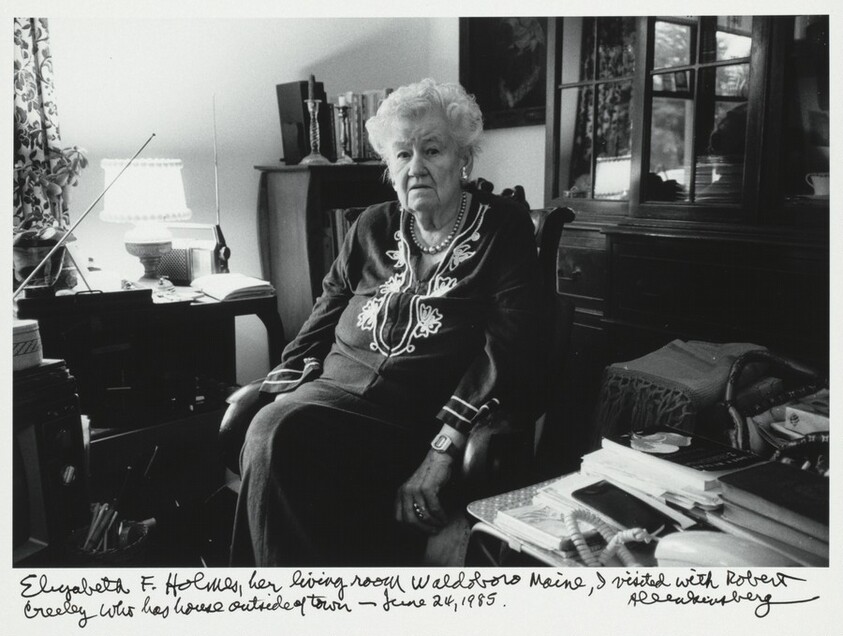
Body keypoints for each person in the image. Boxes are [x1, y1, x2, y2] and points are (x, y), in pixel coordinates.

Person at [230, 78, 541, 566]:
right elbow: (321, 319)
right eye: (401, 154)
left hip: (411, 421)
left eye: (431, 150)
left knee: (278, 434)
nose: (415, 167)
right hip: (328, 403)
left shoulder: (503, 227)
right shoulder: (371, 226)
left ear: (463, 159)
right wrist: (279, 383)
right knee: (274, 428)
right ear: (389, 168)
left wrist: (442, 448)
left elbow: (507, 349)